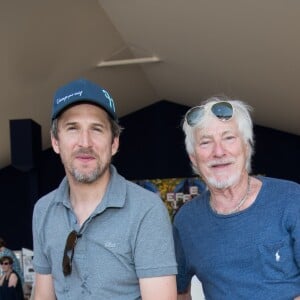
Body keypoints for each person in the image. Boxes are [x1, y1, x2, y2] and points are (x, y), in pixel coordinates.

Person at [32, 78, 177, 300]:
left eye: (97, 129)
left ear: (114, 143)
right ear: (55, 141)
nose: (85, 142)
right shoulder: (43, 210)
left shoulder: (146, 210)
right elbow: (43, 295)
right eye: (72, 128)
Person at [173, 96, 300, 299]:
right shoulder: (186, 221)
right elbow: (178, 292)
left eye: (229, 138)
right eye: (206, 142)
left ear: (246, 147)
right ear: (194, 159)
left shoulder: (291, 198)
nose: (219, 151)